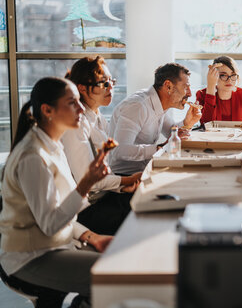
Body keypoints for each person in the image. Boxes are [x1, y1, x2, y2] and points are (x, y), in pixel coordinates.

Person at [0, 77, 112, 304]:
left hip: (54, 245)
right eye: (72, 103)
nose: (81, 108)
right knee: (111, 277)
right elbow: (50, 223)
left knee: (119, 262)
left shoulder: (51, 145)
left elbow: (57, 210)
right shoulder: (33, 156)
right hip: (29, 258)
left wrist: (90, 236)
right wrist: (85, 184)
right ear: (47, 110)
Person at [62, 56, 142, 235]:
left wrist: (123, 184)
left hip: (102, 197)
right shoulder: (77, 123)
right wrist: (126, 181)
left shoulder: (97, 117)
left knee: (149, 199)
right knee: (143, 215)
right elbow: (88, 181)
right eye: (103, 83)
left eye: (111, 81)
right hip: (86, 209)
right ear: (82, 88)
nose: (110, 87)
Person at [108, 63, 201, 176]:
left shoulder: (159, 103)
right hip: (124, 178)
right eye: (186, 87)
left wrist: (188, 123)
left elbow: (171, 133)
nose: (190, 93)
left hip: (146, 171)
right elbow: (119, 151)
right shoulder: (138, 106)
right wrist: (161, 148)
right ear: (168, 86)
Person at [196, 56, 242, 126]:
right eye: (223, 75)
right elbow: (205, 125)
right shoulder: (202, 95)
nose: (229, 80)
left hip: (238, 136)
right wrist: (211, 87)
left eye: (233, 75)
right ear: (214, 76)